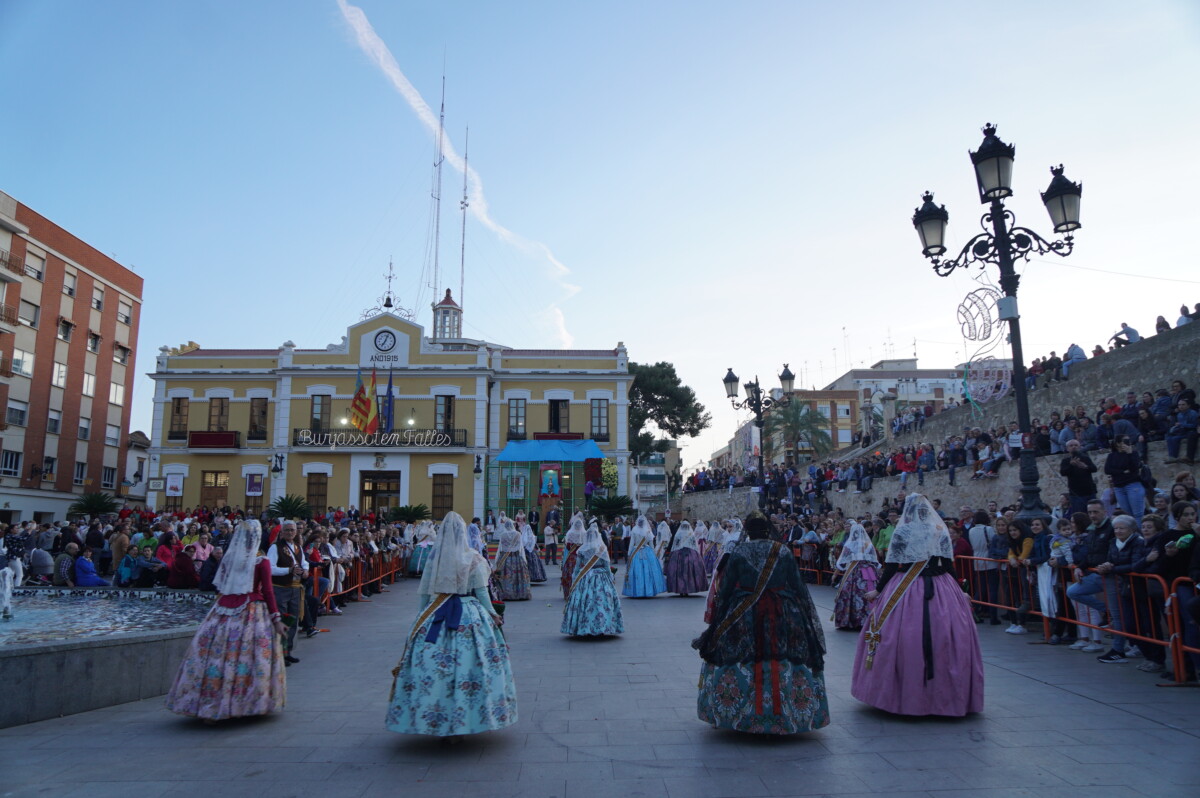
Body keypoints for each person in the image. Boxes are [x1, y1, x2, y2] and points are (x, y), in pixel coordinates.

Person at [693, 512, 829, 735]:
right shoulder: (782, 550)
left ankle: (736, 713)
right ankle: (791, 713)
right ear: (768, 529)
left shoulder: (738, 551)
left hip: (743, 610)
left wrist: (720, 616)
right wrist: (803, 614)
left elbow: (726, 588)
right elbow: (797, 584)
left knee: (737, 654)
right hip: (782, 609)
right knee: (785, 654)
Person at [851, 494, 984, 717]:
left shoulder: (903, 531)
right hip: (943, 587)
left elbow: (893, 565)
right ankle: (945, 696)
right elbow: (948, 564)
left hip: (906, 588)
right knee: (948, 637)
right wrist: (960, 589)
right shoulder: (939, 530)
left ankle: (902, 695)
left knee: (902, 637)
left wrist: (879, 589)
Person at [385, 512, 517, 737]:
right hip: (469, 614)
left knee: (433, 668)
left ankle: (433, 716)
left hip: (436, 614)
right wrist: (493, 614)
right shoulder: (473, 557)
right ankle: (469, 717)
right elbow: (482, 592)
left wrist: (420, 618)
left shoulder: (434, 558)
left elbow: (425, 593)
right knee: (473, 665)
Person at [165, 520, 287, 722]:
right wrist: (276, 618)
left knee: (215, 656)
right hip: (250, 611)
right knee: (247, 656)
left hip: (221, 610)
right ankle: (244, 702)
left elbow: (221, 587)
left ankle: (207, 703)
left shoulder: (229, 559)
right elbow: (267, 591)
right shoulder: (261, 561)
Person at [561, 522, 625, 637]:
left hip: (585, 578)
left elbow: (576, 569)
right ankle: (603, 626)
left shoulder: (582, 550)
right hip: (602, 578)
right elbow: (607, 567)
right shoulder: (602, 549)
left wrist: (574, 582)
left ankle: (584, 626)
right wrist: (611, 579)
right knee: (603, 602)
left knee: (585, 602)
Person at [267, 521, 307, 666]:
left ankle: (287, 651)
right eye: (287, 530)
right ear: (282, 532)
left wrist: (305, 570)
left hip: (295, 588)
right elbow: (270, 568)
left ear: (296, 532)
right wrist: (288, 570)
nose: (290, 533)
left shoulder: (297, 547)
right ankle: (279, 654)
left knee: (292, 621)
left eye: (292, 530)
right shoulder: (275, 547)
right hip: (281, 587)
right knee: (282, 620)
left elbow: (304, 563)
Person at [832, 522, 879, 632]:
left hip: (855, 571)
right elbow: (874, 560)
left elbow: (843, 561)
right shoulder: (868, 544)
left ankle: (851, 620)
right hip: (869, 571)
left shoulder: (850, 544)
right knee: (869, 591)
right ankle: (868, 619)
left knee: (850, 593)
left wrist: (835, 574)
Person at [622, 516, 666, 598]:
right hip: (647, 551)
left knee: (637, 571)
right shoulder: (648, 531)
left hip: (636, 551)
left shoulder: (634, 530)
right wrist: (654, 553)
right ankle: (648, 590)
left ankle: (638, 591)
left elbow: (631, 543)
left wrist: (629, 554)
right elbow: (651, 543)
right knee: (648, 571)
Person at [663, 521, 707, 597]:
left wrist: (671, 554)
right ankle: (688, 588)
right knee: (689, 572)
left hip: (678, 554)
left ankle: (680, 589)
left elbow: (675, 544)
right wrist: (698, 555)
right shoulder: (691, 534)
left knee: (679, 572)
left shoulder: (678, 534)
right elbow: (694, 545)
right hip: (690, 553)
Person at [490, 519, 531, 601]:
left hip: (505, 558)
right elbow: (520, 547)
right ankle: (519, 593)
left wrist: (497, 559)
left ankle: (506, 593)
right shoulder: (518, 534)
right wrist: (523, 559)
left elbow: (500, 547)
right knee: (518, 576)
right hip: (516, 557)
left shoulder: (502, 535)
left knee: (506, 575)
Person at [560, 516, 587, 600]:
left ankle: (569, 593)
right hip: (581, 558)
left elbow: (568, 546)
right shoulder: (584, 533)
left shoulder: (570, 533)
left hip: (571, 558)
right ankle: (581, 594)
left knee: (569, 574)